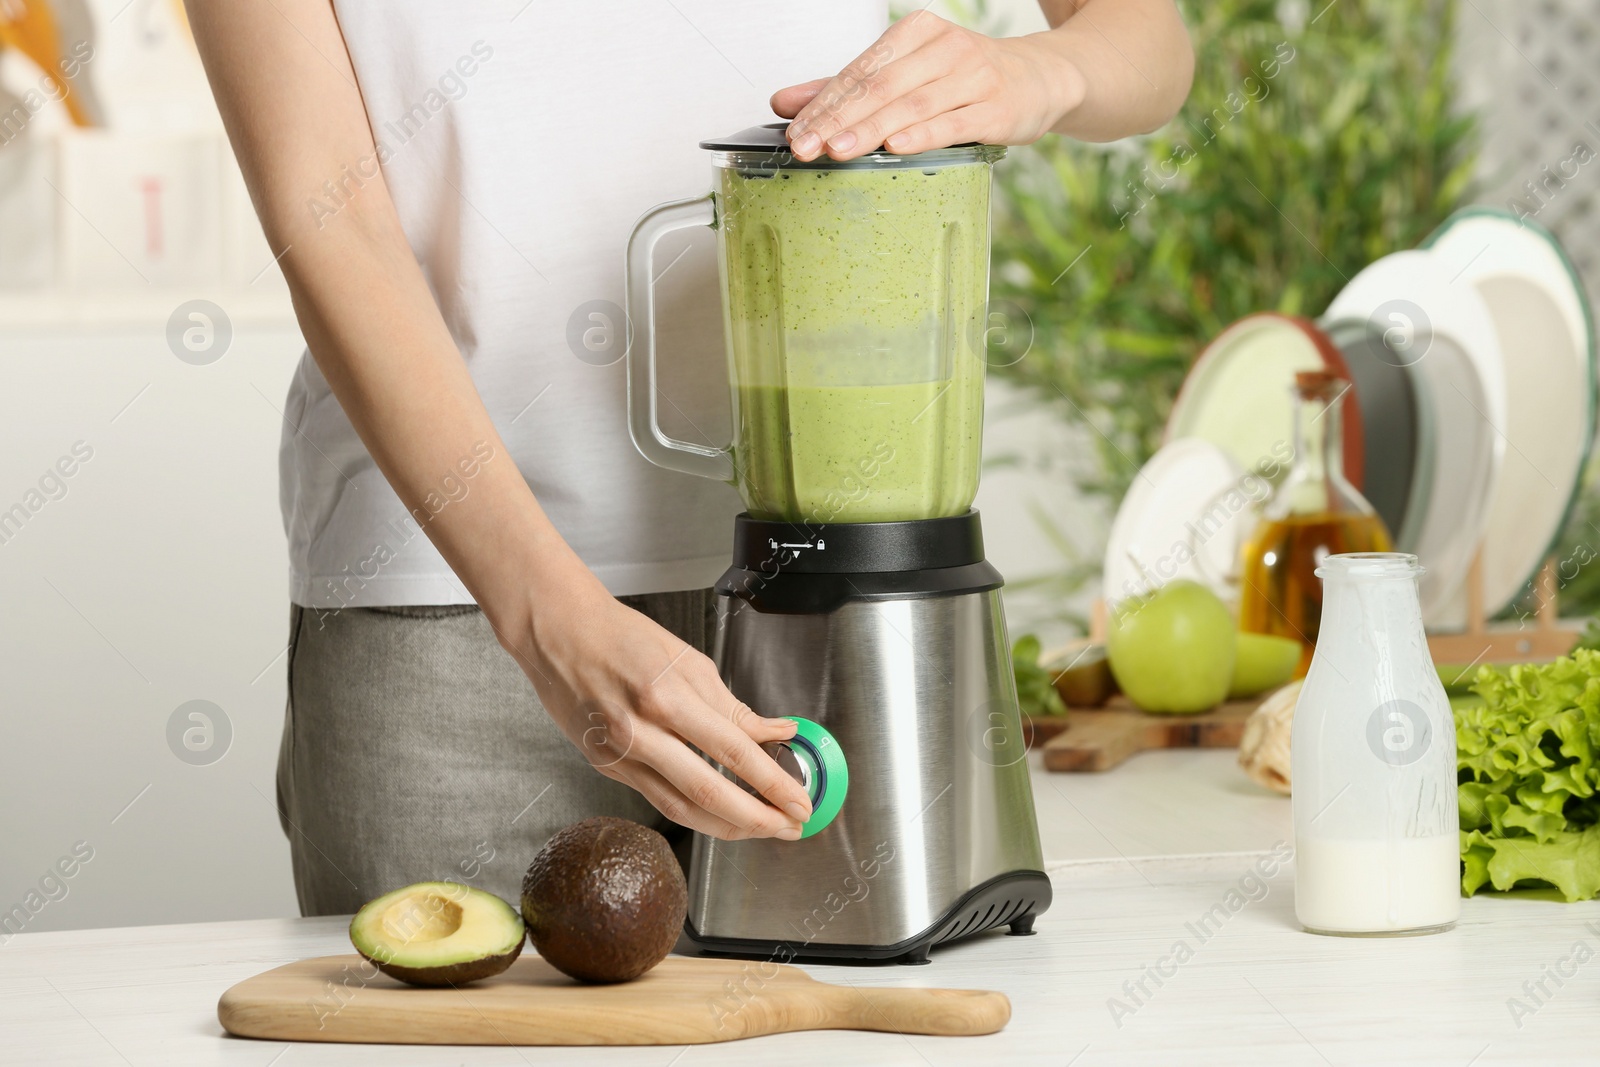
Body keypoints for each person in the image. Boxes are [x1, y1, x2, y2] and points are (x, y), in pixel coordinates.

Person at [184, 0, 1194, 913]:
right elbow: (330, 218)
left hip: (832, 590)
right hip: (456, 630)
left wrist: (1038, 71)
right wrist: (547, 616)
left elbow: (1145, 41)